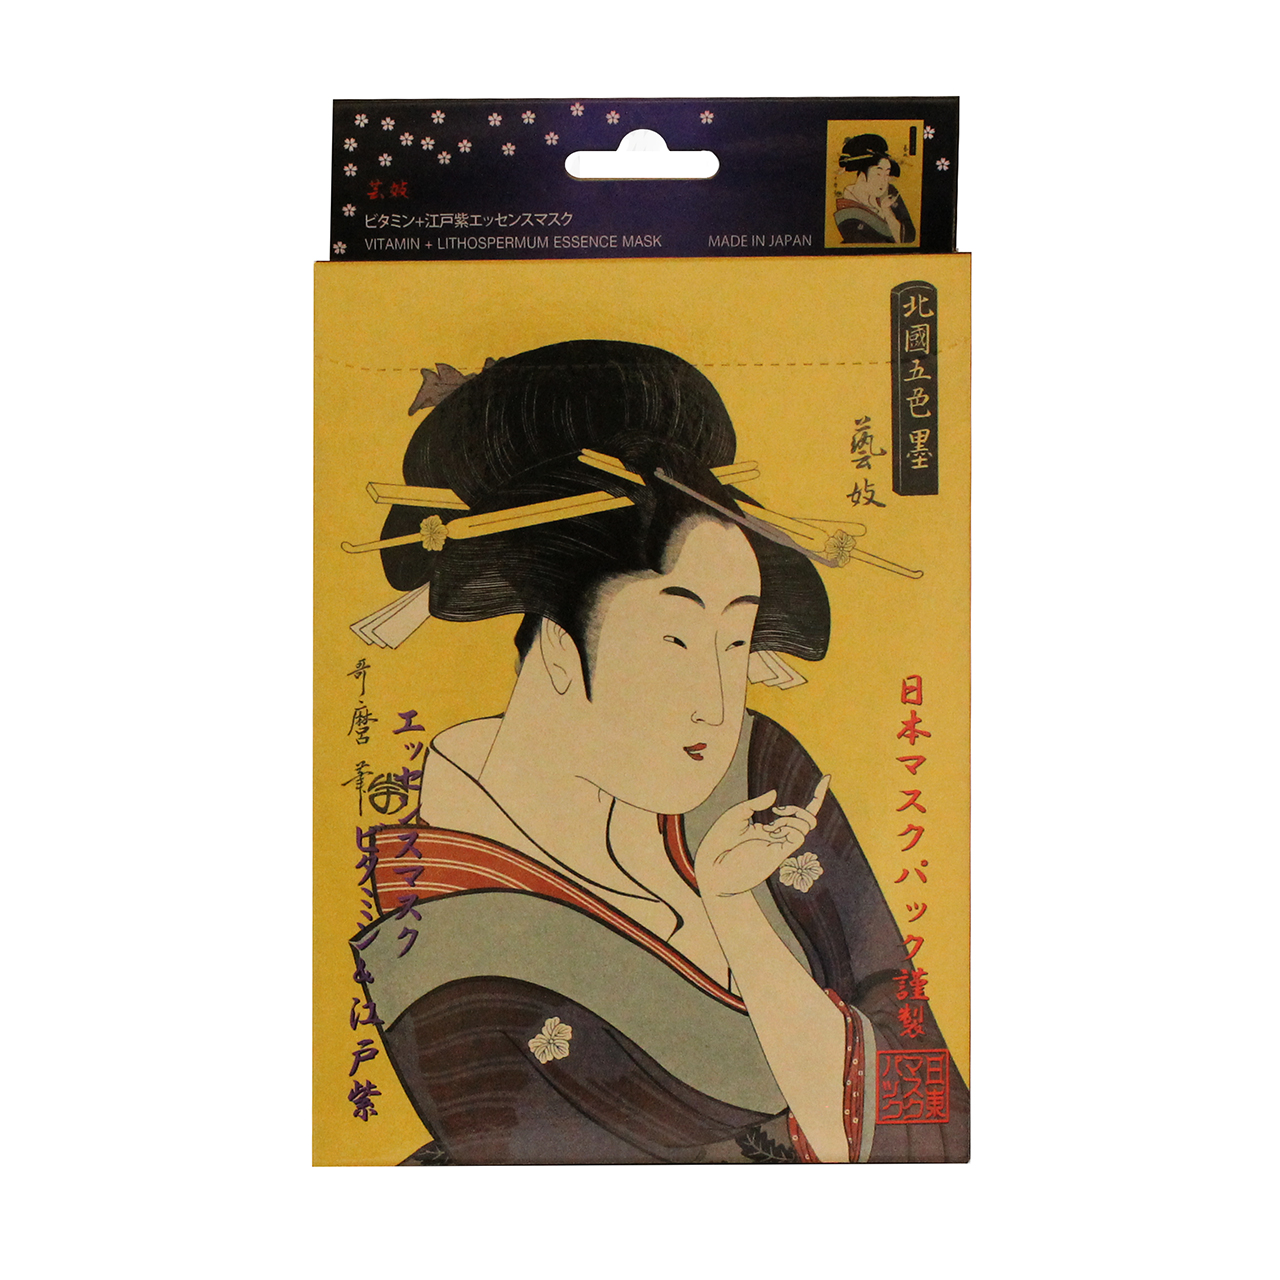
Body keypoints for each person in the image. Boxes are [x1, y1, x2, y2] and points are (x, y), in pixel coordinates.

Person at [348, 340, 967, 1163]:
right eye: (674, 642)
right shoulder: (448, 951)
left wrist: (735, 913)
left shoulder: (757, 769)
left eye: (734, 643)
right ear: (560, 649)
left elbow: (927, 1091)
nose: (716, 701)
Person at [833, 133, 917, 245]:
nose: (884, 181)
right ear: (862, 177)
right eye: (878, 174)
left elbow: (909, 237)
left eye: (887, 174)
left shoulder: (889, 192)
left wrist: (887, 212)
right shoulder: (847, 213)